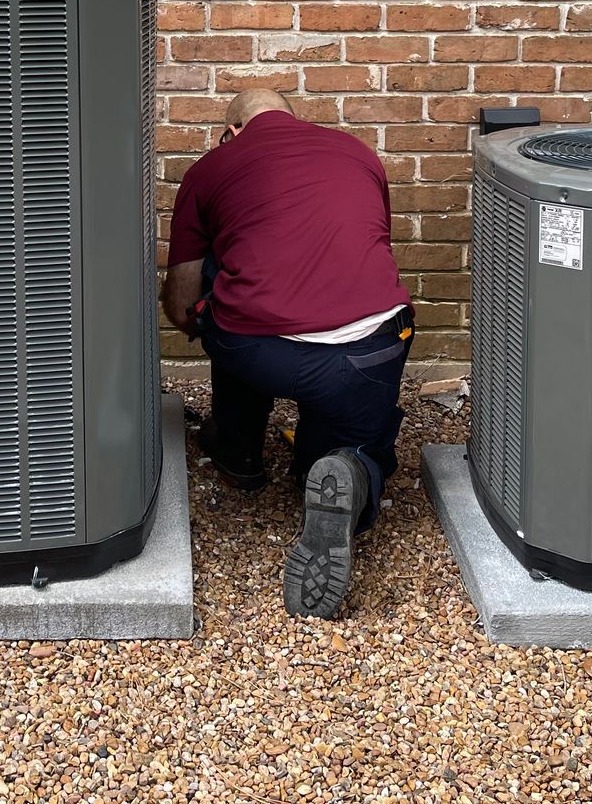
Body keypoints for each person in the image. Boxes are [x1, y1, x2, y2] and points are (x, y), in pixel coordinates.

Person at [161, 89, 414, 619]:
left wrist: (202, 314)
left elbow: (183, 306)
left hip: (258, 350)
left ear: (231, 131)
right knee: (347, 447)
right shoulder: (358, 152)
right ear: (296, 119)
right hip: (368, 349)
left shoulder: (211, 169)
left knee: (220, 290)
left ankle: (239, 453)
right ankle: (347, 467)